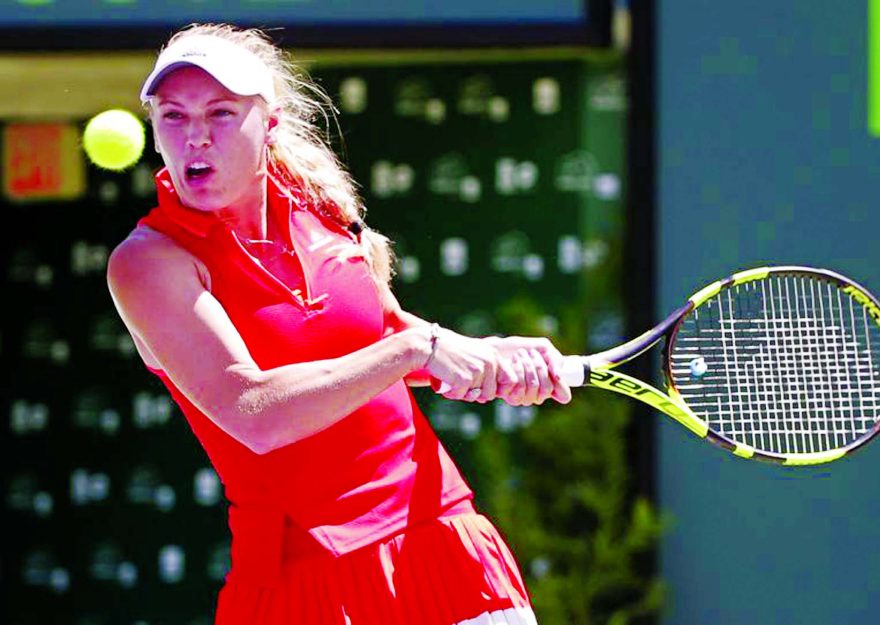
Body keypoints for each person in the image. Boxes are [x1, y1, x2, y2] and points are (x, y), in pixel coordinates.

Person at [107, 23, 572, 625]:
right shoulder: (148, 263)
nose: (195, 136)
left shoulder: (323, 211)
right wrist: (417, 349)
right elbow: (256, 411)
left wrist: (489, 358)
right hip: (306, 581)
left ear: (269, 121)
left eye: (221, 113)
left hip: (442, 544)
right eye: (173, 116)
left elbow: (391, 337)